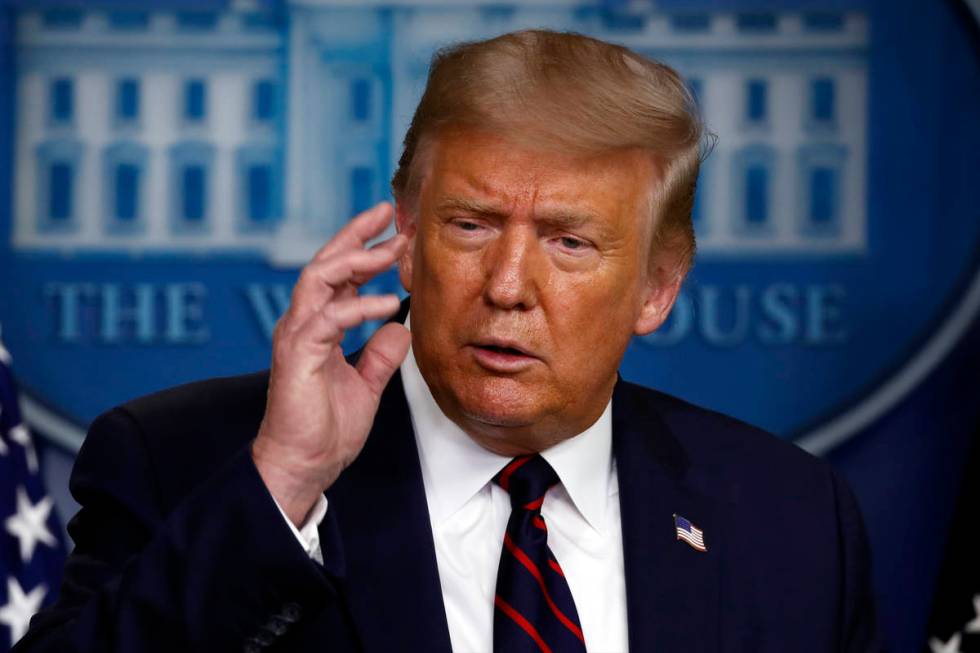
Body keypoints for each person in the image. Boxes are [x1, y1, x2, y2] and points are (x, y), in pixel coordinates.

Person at [15, 30, 882, 653]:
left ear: (658, 286)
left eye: (568, 241)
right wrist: (283, 483)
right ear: (408, 235)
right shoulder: (184, 463)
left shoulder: (792, 519)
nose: (506, 286)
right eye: (470, 225)